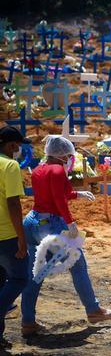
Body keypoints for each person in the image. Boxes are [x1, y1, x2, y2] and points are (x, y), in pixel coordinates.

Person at [20, 135, 111, 337]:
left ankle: (27, 321)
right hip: (50, 224)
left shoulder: (38, 170)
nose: (70, 159)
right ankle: (93, 310)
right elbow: (57, 199)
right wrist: (70, 222)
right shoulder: (57, 171)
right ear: (63, 155)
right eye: (69, 156)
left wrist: (77, 194)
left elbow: (53, 194)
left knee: (34, 273)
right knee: (78, 263)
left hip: (32, 221)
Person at [0, 126, 30, 348]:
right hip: (6, 235)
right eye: (17, 145)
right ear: (11, 145)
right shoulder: (10, 166)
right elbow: (12, 203)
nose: (18, 149)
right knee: (19, 278)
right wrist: (22, 237)